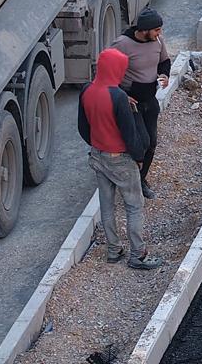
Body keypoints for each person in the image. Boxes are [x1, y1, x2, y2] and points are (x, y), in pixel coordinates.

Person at [77, 47, 164, 270]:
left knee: (107, 205)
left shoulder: (87, 90)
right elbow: (130, 133)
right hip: (120, 159)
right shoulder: (117, 97)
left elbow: (82, 128)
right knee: (134, 205)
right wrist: (139, 158)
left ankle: (113, 250)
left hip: (98, 156)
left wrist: (98, 145)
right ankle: (138, 255)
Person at [111, 9, 171, 199]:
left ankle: (141, 180)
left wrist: (164, 75)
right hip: (131, 103)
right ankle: (127, 180)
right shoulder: (122, 44)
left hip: (149, 100)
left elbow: (165, 61)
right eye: (156, 30)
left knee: (152, 143)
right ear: (144, 30)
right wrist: (121, 95)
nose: (159, 34)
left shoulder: (158, 41)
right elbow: (106, 72)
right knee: (141, 143)